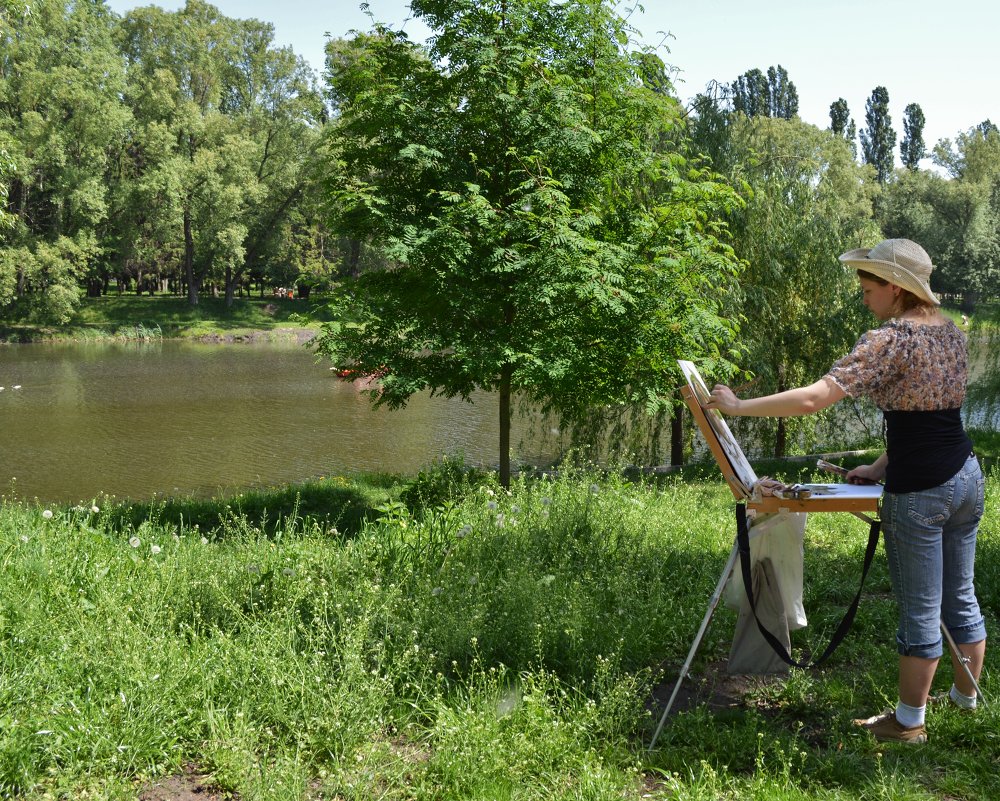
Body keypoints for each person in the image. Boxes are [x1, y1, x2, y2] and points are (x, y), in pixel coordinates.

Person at [704, 238, 986, 745]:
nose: (864, 297)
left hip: (922, 489)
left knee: (920, 609)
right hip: (966, 475)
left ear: (896, 288)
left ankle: (907, 723)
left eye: (869, 286)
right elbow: (930, 417)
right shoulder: (952, 333)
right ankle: (966, 703)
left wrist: (739, 406)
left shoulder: (890, 339)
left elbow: (815, 399)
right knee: (960, 599)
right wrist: (879, 466)